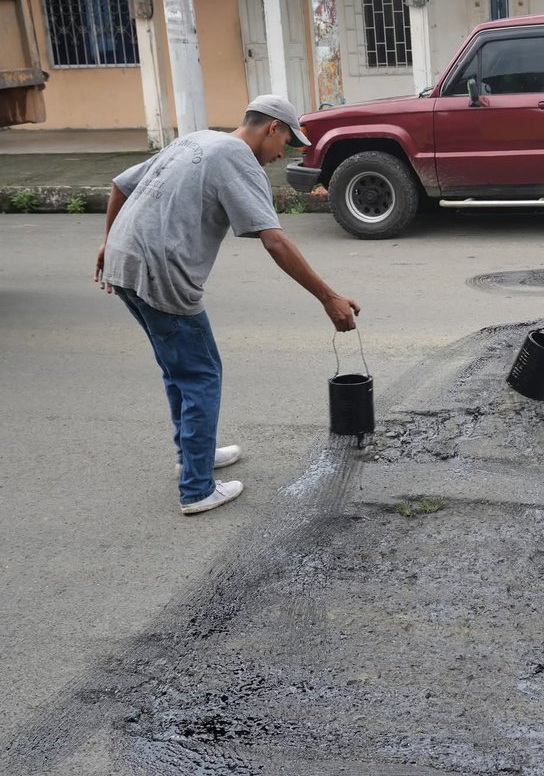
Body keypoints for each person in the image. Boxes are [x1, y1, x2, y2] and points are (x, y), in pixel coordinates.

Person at [95, 95, 360, 515]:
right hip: (160, 272)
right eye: (287, 143)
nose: (283, 154)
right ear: (272, 127)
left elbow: (120, 185)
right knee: (201, 375)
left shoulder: (198, 140)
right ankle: (197, 489)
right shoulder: (238, 157)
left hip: (123, 262)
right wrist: (329, 297)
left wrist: (109, 242)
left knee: (179, 370)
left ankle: (194, 456)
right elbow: (275, 241)